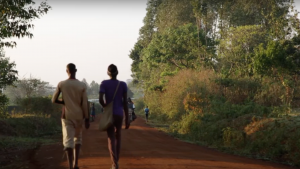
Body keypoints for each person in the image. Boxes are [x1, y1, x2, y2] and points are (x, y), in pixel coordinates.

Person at [52, 63, 90, 169]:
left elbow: (54, 100)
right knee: (78, 139)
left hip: (67, 116)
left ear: (67, 71)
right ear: (75, 70)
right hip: (79, 116)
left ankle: (70, 166)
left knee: (68, 142)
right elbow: (85, 103)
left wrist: (64, 102)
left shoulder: (62, 84)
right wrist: (87, 119)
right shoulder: (82, 85)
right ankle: (76, 164)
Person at [99, 64, 129, 169]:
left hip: (109, 114)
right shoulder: (123, 84)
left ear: (108, 73)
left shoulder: (104, 83)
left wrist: (105, 107)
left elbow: (100, 99)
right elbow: (125, 102)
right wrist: (128, 118)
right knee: (118, 136)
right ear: (117, 72)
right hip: (119, 114)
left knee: (111, 138)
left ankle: (114, 164)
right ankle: (116, 161)